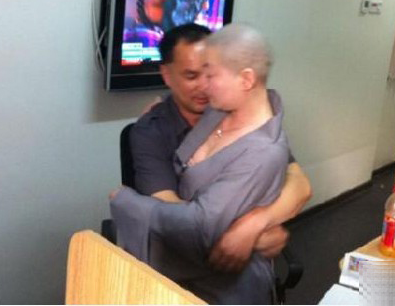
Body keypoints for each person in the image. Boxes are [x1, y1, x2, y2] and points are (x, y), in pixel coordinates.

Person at [110, 24, 309, 304]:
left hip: (238, 275)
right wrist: (247, 238)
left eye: (210, 73)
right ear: (167, 75)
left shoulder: (233, 113)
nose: (205, 86)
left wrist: (255, 225)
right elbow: (178, 217)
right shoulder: (151, 130)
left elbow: (300, 183)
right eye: (192, 75)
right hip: (183, 264)